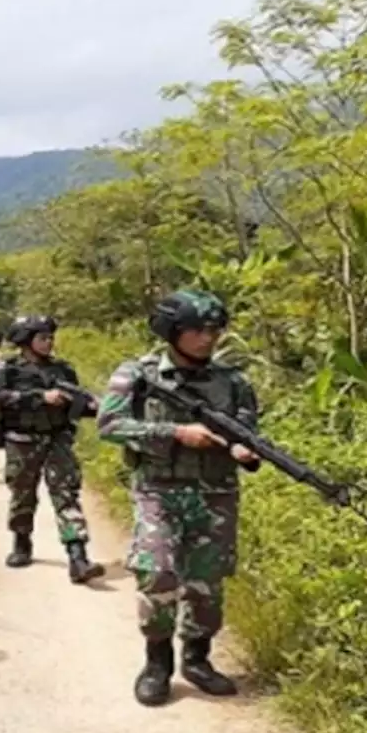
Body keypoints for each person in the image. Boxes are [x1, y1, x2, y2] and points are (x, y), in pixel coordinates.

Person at [95, 289, 260, 705]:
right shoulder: (138, 375)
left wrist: (240, 447)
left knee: (207, 582)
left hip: (216, 493)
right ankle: (157, 663)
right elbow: (110, 424)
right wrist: (174, 434)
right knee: (158, 571)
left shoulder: (233, 381)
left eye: (214, 330)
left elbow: (246, 428)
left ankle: (198, 659)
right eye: (197, 330)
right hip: (158, 491)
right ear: (172, 331)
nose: (207, 339)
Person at [0, 314, 104, 584]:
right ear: (26, 341)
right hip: (22, 440)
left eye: (50, 337)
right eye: (42, 337)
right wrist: (38, 398)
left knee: (66, 495)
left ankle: (78, 556)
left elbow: (78, 402)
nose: (49, 342)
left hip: (57, 439)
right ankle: (22, 541)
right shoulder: (9, 369)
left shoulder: (62, 370)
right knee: (23, 495)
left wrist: (91, 407)